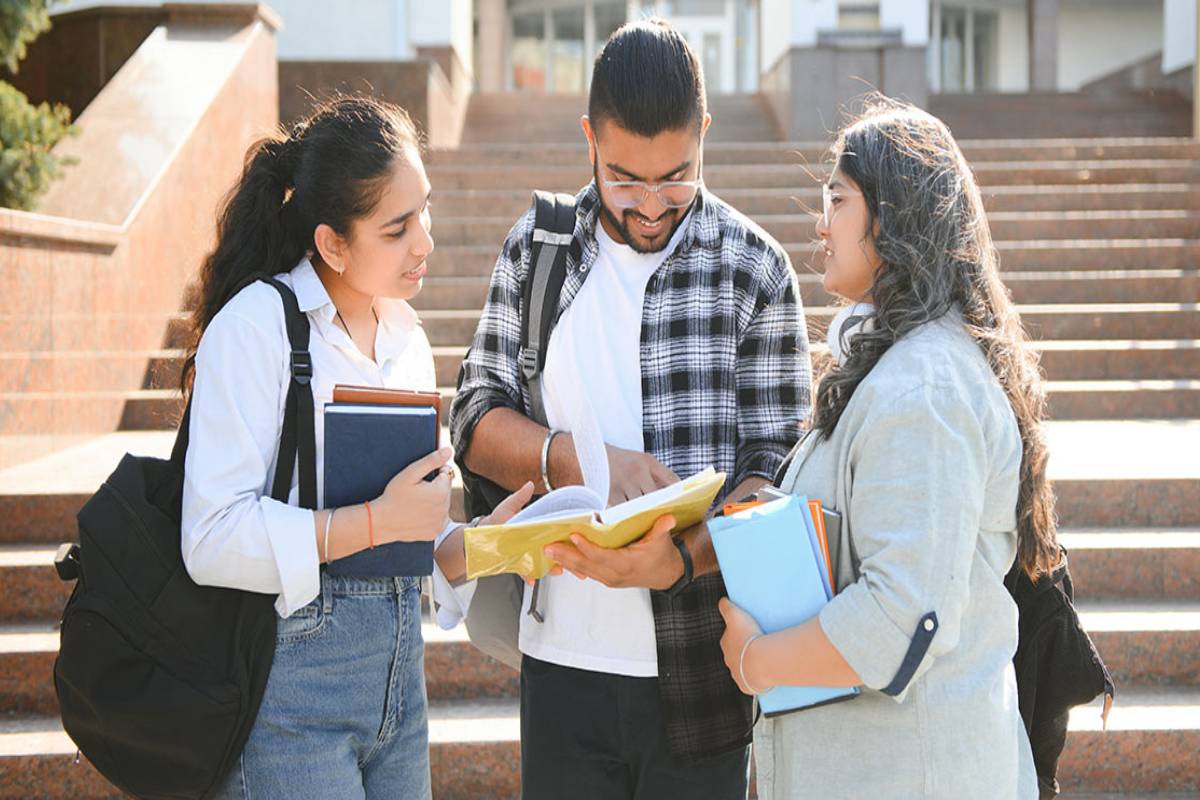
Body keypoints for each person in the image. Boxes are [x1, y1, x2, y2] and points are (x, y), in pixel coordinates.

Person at [445, 19, 810, 800]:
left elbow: (776, 473)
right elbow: (473, 415)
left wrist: (679, 558)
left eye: (675, 176)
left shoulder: (757, 270)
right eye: (624, 178)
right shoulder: (535, 252)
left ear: (704, 134)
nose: (650, 206)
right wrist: (580, 463)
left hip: (703, 672)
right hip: (561, 669)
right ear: (588, 139)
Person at [179, 94, 532, 800]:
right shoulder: (256, 329)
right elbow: (209, 538)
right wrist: (373, 521)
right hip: (288, 703)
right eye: (397, 228)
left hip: (400, 695)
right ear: (332, 243)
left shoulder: (407, 341)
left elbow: (408, 549)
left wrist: (484, 544)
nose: (425, 241)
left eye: (424, 211)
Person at [716, 98, 1049, 798]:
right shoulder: (903, 367)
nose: (820, 223)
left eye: (836, 200)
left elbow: (898, 619)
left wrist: (756, 661)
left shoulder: (923, 385)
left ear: (891, 214)